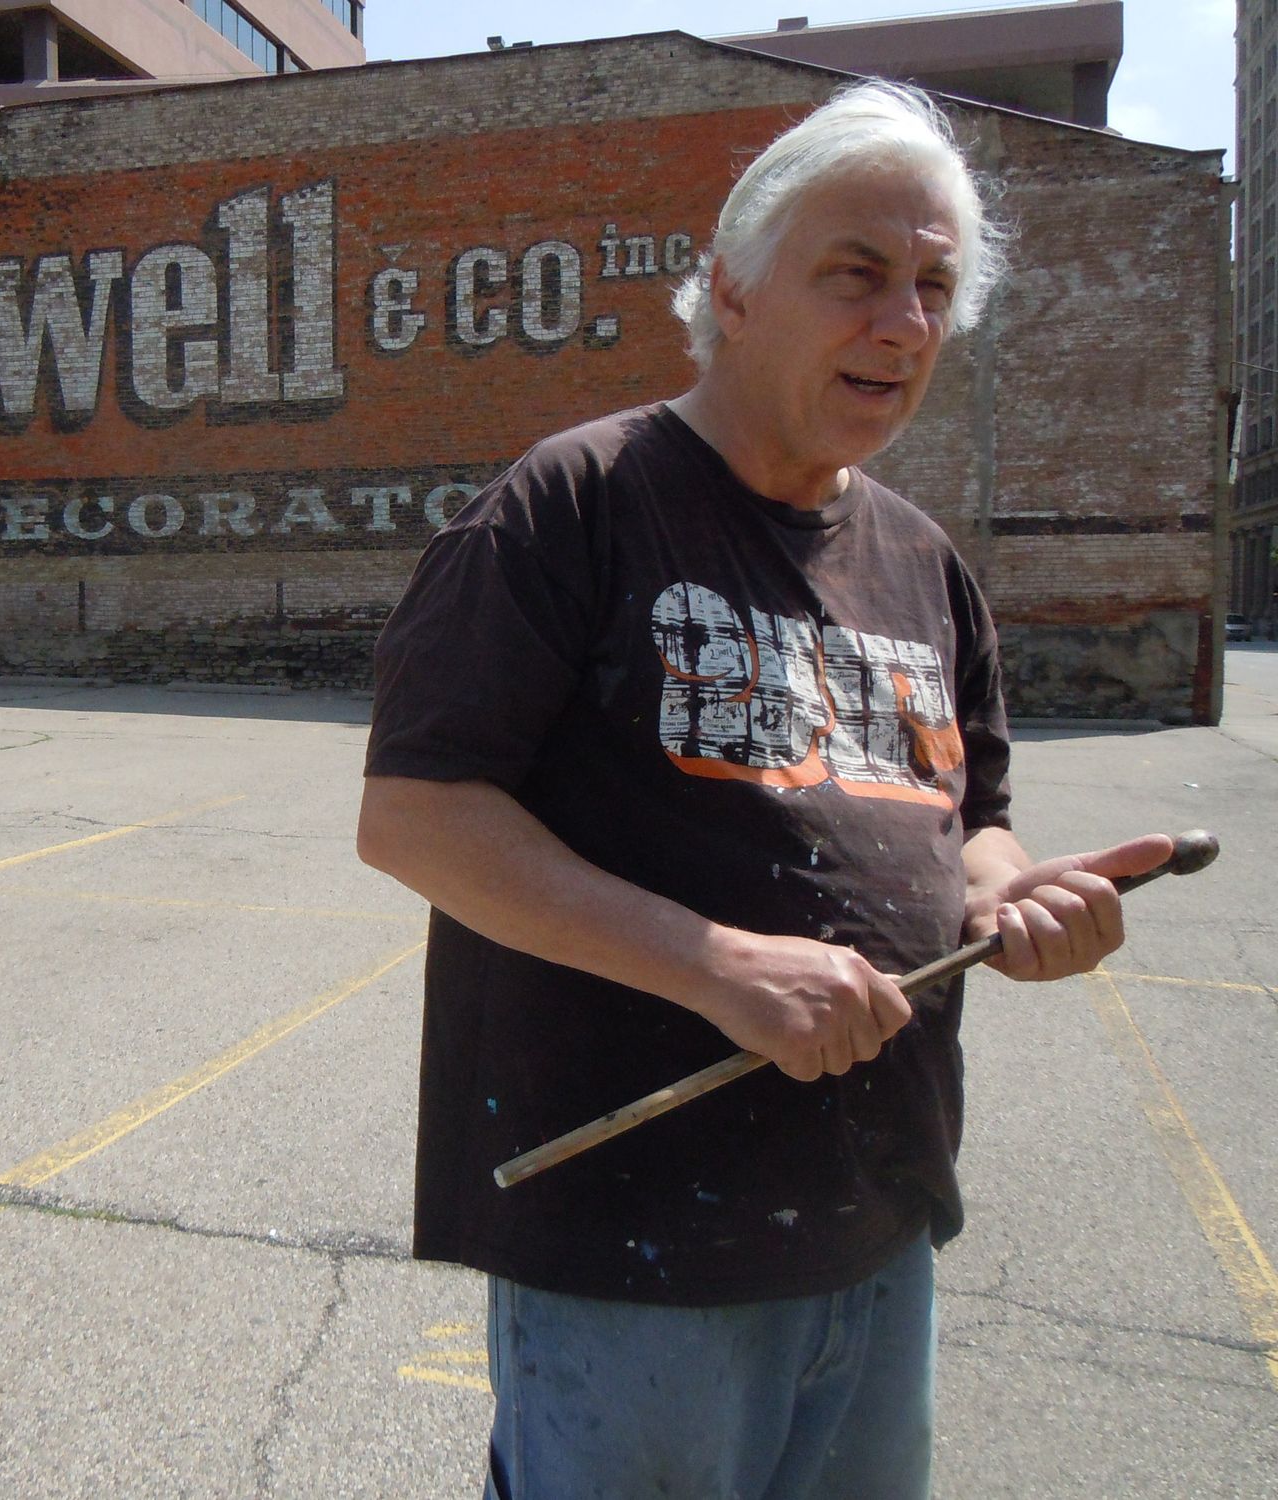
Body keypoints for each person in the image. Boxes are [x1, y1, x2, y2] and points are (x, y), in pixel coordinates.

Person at [355, 82, 1171, 1500]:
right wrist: (719, 965)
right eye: (856, 275)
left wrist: (1012, 898)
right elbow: (417, 815)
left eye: (933, 289)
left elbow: (966, 817)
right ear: (731, 290)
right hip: (633, 1246)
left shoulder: (925, 563)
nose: (905, 323)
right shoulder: (573, 504)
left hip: (877, 1217)